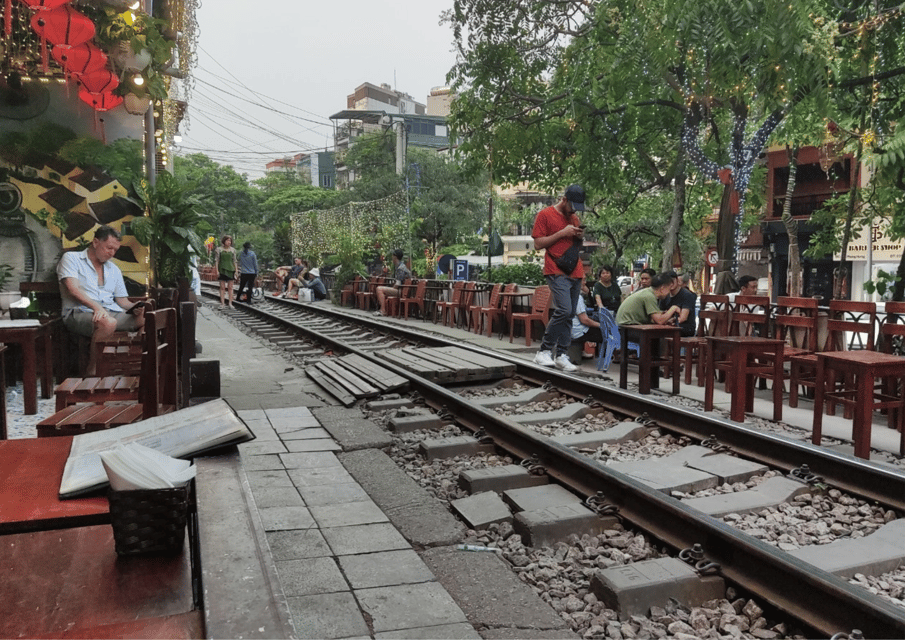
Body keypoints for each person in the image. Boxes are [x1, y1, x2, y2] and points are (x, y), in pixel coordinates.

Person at [57, 225, 146, 376]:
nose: (112, 253)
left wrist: (134, 306)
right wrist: (96, 307)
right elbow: (73, 289)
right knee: (108, 322)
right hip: (79, 312)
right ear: (96, 242)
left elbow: (122, 301)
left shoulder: (114, 269)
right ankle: (93, 371)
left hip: (110, 312)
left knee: (149, 318)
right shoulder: (72, 259)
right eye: (109, 248)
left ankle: (131, 362)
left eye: (115, 250)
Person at [531, 184, 586, 372]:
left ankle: (562, 354)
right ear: (564, 200)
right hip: (555, 268)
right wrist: (562, 233)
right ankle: (544, 351)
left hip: (575, 270)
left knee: (570, 314)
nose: (574, 211)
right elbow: (538, 244)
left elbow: (575, 245)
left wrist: (578, 236)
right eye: (572, 206)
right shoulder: (545, 215)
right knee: (564, 309)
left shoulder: (575, 218)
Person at [374, 249, 411, 316]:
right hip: (403, 290)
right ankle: (385, 309)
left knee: (379, 289)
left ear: (395, 257)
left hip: (402, 291)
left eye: (392, 256)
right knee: (384, 290)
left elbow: (398, 284)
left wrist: (391, 289)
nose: (392, 257)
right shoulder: (400, 266)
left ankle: (383, 310)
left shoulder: (400, 268)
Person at [660, 271, 697, 337]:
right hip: (667, 327)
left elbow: (682, 318)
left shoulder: (687, 295)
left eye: (672, 281)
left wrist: (669, 316)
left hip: (684, 329)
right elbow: (660, 313)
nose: (670, 284)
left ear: (677, 281)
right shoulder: (664, 295)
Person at [216, 235, 239, 308]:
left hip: (231, 269)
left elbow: (235, 261)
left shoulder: (233, 250)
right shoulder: (219, 249)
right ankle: (222, 303)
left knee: (230, 287)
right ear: (224, 241)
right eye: (227, 240)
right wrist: (217, 270)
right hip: (222, 269)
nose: (229, 242)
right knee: (222, 287)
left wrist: (236, 270)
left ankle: (230, 303)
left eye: (230, 241)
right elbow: (217, 261)